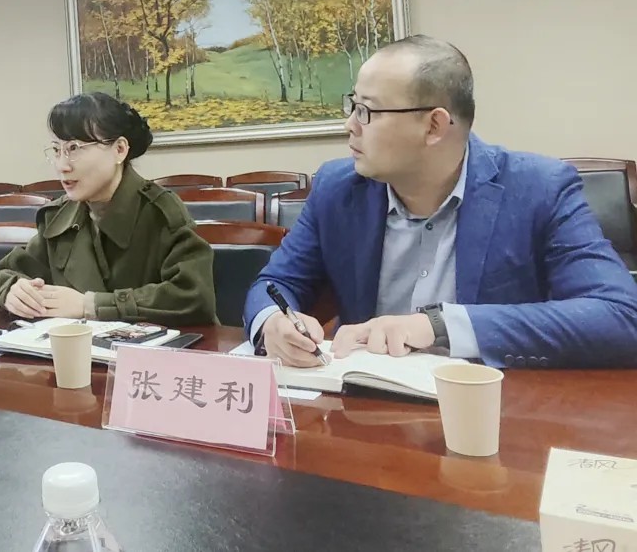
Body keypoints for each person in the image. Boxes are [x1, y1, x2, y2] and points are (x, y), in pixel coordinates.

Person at [245, 35, 637, 369]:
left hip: (491, 411)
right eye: (352, 106)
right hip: (366, 409)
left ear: (433, 125)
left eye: (366, 111)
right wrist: (272, 324)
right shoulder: (337, 188)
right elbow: (276, 283)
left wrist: (440, 326)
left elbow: (621, 316)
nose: (349, 125)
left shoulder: (538, 189)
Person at [0, 92, 217, 326]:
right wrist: (14, 290)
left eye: (74, 148)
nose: (62, 166)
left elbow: (193, 296)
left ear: (119, 150)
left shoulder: (160, 212)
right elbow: (5, 272)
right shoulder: (59, 216)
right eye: (57, 150)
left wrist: (91, 305)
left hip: (153, 348)